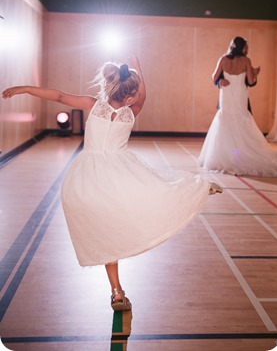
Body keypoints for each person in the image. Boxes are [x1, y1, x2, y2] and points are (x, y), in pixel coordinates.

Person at [2, 53, 222, 312]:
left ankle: (116, 292)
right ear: (130, 96)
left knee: (107, 232)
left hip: (90, 177)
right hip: (121, 171)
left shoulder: (94, 105)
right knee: (157, 188)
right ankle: (197, 187)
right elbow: (144, 97)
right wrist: (139, 68)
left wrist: (25, 88)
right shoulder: (132, 112)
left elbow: (60, 96)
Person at [199, 37, 277, 176]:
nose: (247, 50)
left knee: (225, 122)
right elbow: (250, 81)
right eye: (246, 47)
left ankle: (226, 157)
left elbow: (214, 77)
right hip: (240, 97)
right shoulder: (246, 61)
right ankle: (238, 156)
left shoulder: (223, 59)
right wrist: (255, 74)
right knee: (241, 122)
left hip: (226, 97)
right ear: (243, 48)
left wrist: (220, 82)